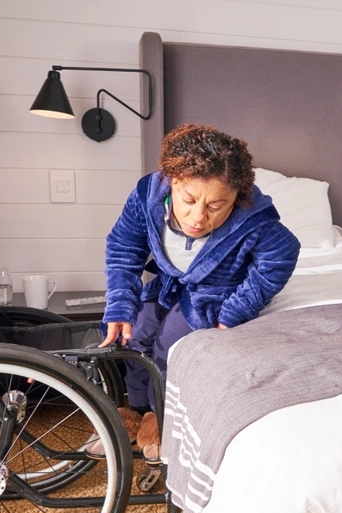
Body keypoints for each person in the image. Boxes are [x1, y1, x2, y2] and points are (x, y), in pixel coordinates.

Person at [86, 124, 301, 466]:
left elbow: (280, 256)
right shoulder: (147, 196)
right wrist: (120, 303)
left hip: (212, 295)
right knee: (133, 333)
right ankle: (134, 410)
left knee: (170, 346)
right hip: (168, 285)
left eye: (217, 205)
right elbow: (124, 246)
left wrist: (236, 311)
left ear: (236, 198)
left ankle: (161, 417)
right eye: (188, 201)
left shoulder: (254, 218)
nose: (199, 217)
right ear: (171, 181)